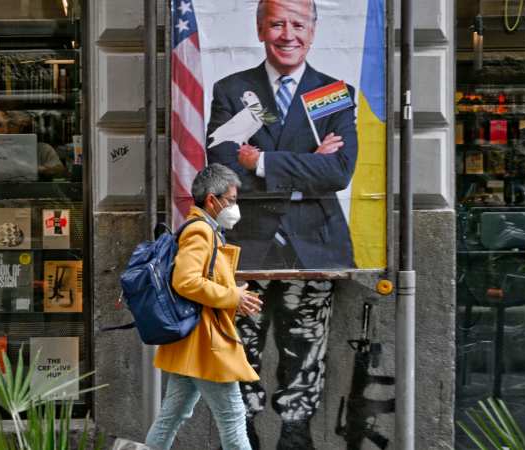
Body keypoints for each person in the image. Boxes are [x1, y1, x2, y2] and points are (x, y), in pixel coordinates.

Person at [205, 1, 356, 448]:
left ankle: (296, 434)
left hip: (314, 245)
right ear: (260, 29)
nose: (287, 34)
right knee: (241, 346)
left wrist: (265, 160)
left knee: (307, 347)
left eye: (298, 24)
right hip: (246, 246)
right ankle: (243, 432)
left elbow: (339, 172)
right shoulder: (233, 90)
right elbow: (223, 167)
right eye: (277, 23)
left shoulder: (333, 92)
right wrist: (307, 163)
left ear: (313, 31)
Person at [145, 163, 264, 450]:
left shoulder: (204, 229)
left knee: (171, 417)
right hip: (207, 344)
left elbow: (202, 282)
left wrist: (234, 295)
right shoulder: (201, 231)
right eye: (231, 201)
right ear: (212, 200)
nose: (234, 207)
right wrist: (232, 297)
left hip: (194, 343)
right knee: (233, 418)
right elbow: (186, 281)